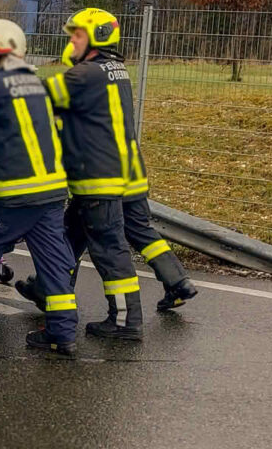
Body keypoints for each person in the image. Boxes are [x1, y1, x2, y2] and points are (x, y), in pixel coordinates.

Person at [19, 36, 198, 317]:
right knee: (133, 230)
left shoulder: (87, 77)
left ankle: (57, 291)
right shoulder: (117, 71)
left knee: (88, 238)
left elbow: (42, 100)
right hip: (129, 169)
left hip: (102, 173)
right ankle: (178, 281)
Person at [0, 19, 79, 356]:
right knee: (54, 262)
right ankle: (62, 334)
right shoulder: (35, 82)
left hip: (16, 193)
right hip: (53, 192)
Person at [38, 8, 147, 340]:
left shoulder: (85, 75)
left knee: (109, 251)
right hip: (104, 173)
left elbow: (37, 96)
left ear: (96, 38)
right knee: (67, 241)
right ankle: (50, 295)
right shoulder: (114, 69)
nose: (71, 42)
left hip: (95, 179)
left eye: (77, 35)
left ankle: (126, 321)